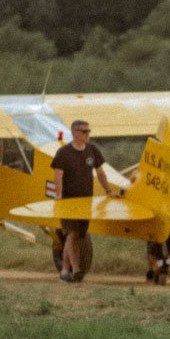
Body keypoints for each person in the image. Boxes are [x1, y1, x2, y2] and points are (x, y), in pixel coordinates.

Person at [51, 120, 123, 282]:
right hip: (68, 201)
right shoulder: (63, 152)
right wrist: (58, 195)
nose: (87, 134)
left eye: (88, 131)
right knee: (71, 234)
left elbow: (100, 173)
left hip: (86, 201)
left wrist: (109, 191)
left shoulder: (92, 150)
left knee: (77, 236)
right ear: (75, 133)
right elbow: (58, 175)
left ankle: (64, 271)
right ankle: (76, 269)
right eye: (84, 132)